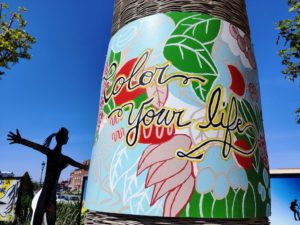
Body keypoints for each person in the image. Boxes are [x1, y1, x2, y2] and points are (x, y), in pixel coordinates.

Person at [7, 128, 88, 225]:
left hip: (48, 194)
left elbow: (81, 166)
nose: (68, 138)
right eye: (67, 135)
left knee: (44, 220)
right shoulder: (60, 157)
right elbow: (35, 146)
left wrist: (21, 140)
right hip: (48, 194)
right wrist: (21, 140)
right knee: (40, 219)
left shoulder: (61, 157)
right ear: (62, 138)